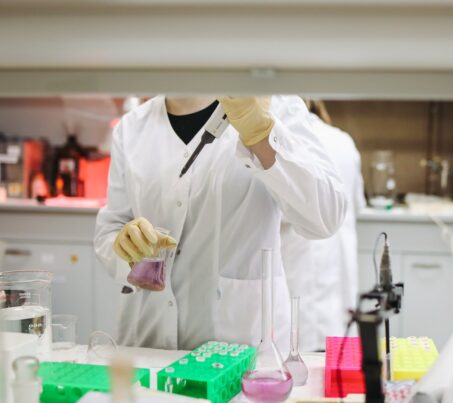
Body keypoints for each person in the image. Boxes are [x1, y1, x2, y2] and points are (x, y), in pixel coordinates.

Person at [94, 96, 347, 351]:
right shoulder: (132, 128)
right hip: (147, 343)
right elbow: (111, 228)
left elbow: (325, 217)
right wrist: (124, 246)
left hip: (240, 349)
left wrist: (262, 135)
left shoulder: (276, 107)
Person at [281, 100, 366, 351]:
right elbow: (356, 204)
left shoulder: (283, 140)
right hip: (340, 290)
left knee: (303, 371)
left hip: (297, 289)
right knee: (338, 375)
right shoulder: (343, 141)